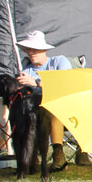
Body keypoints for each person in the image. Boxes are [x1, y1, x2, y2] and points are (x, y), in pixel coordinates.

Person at [14, 30, 74, 168]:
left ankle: (59, 153)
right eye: (29, 49)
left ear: (44, 50)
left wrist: (35, 83)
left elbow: (66, 82)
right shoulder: (25, 71)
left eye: (35, 49)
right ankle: (30, 155)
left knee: (54, 110)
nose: (31, 52)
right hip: (36, 111)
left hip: (65, 108)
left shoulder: (59, 61)